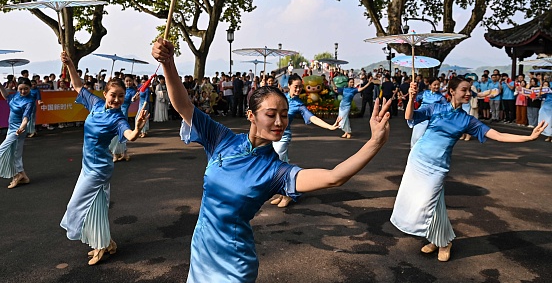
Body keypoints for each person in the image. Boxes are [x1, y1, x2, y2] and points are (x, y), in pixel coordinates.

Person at [152, 38, 391, 282]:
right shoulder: (221, 139)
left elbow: (333, 178)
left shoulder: (276, 171)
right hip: (201, 250)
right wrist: (168, 63)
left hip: (233, 264)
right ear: (251, 116)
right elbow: (184, 106)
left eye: (284, 115)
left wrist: (375, 143)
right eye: (271, 114)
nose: (279, 122)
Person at [391, 77, 546, 262]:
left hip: (437, 167)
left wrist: (528, 138)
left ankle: (443, 241)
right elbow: (410, 117)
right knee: (432, 204)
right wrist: (411, 97)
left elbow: (497, 135)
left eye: (469, 89)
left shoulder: (467, 120)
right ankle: (439, 240)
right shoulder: (435, 108)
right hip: (418, 159)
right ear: (451, 91)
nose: (467, 93)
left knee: (427, 203)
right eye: (464, 90)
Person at [59, 51, 149, 265]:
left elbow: (129, 135)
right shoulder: (96, 105)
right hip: (87, 165)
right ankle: (105, 242)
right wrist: (71, 64)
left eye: (121, 96)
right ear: (105, 93)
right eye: (113, 95)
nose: (117, 100)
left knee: (76, 205)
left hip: (99, 169)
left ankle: (100, 244)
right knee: (96, 206)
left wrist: (136, 129)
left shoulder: (118, 118)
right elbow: (78, 85)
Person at [270, 73, 339, 207]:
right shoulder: (280, 98)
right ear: (288, 85)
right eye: (295, 87)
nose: (298, 90)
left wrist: (330, 127)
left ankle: (288, 194)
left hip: (283, 137)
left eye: (300, 87)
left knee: (278, 164)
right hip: (272, 135)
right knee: (280, 164)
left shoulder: (298, 104)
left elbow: (311, 117)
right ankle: (283, 193)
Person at [0, 77, 36, 188]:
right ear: (17, 88)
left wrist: (21, 127)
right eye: (21, 89)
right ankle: (23, 176)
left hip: (18, 129)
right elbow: (6, 96)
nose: (23, 91)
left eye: (26, 89)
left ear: (30, 88)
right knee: (15, 152)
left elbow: (26, 118)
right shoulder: (15, 95)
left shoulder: (29, 100)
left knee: (3, 150)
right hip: (11, 128)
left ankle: (16, 175)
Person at [410, 78, 445, 148]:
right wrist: (413, 92)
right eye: (435, 85)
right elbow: (415, 98)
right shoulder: (424, 93)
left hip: (432, 119)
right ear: (430, 85)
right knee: (416, 136)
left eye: (438, 85)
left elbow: (445, 108)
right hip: (421, 116)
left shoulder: (441, 97)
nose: (437, 86)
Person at [110, 75, 138, 162]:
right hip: (114, 113)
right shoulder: (121, 90)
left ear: (133, 81)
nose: (128, 83)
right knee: (114, 135)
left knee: (121, 134)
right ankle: (118, 154)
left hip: (122, 115)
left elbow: (133, 99)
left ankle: (122, 154)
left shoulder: (132, 91)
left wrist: (133, 99)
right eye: (126, 81)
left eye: (130, 81)